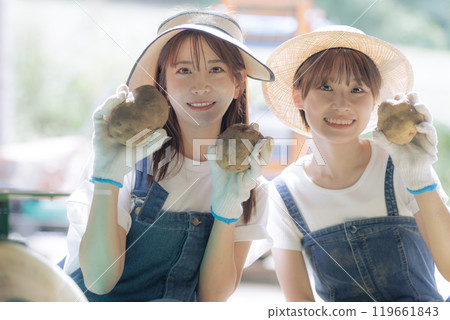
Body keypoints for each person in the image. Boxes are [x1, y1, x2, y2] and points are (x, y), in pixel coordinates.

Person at [62, 10, 274, 302]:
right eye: (184, 70)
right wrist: (107, 179)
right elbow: (99, 280)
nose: (200, 85)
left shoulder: (250, 187)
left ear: (238, 84)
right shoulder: (127, 159)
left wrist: (226, 208)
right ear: (163, 84)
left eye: (215, 69)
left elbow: (212, 299)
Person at [262, 25, 450, 302]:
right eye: (325, 87)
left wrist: (421, 179)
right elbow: (300, 307)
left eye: (357, 89)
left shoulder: (404, 164)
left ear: (374, 100)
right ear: (297, 96)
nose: (342, 103)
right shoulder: (283, 194)